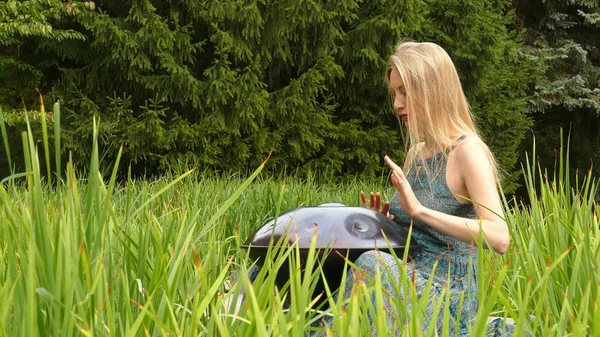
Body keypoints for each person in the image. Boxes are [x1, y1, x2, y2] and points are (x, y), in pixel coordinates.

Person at [317, 41, 510, 336]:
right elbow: (414, 239)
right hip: (410, 274)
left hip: (450, 293)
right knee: (327, 245)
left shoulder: (467, 151)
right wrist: (380, 225)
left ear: (433, 90)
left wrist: (419, 210)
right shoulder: (416, 153)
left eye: (405, 92)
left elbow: (499, 237)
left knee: (372, 265)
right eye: (395, 93)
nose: (396, 104)